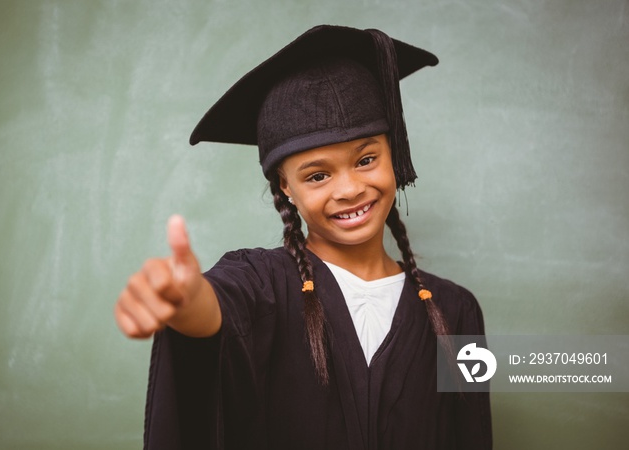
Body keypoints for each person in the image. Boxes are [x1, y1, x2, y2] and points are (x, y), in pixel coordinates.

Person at [114, 25, 492, 450]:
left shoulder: (456, 312)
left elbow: (472, 436)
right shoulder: (261, 284)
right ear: (286, 187)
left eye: (367, 159)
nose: (349, 189)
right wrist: (184, 303)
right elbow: (217, 311)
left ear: (395, 155)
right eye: (317, 175)